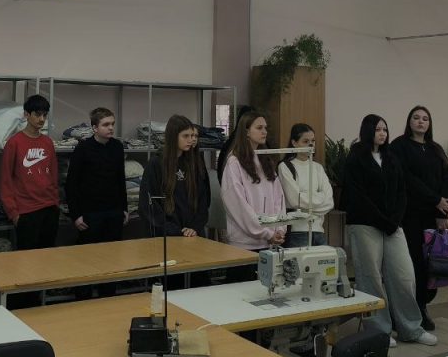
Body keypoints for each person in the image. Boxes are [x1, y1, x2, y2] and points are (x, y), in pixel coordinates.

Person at [344, 114, 436, 347]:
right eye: (377, 129)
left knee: (404, 276)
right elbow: (357, 196)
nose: (382, 134)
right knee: (371, 278)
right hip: (366, 224)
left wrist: (394, 219)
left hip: (393, 226)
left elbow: (401, 192)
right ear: (367, 131)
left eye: (385, 129)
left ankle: (411, 328)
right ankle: (379, 331)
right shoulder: (356, 158)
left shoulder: (391, 158)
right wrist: (382, 220)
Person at [390, 105, 448, 332]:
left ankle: (422, 306)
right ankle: (406, 311)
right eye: (416, 118)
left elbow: (446, 178)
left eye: (425, 118)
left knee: (429, 265)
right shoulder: (399, 146)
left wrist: (442, 212)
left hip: (432, 216)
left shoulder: (436, 148)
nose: (420, 122)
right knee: (411, 265)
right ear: (409, 121)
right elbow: (406, 179)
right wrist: (435, 199)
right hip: (409, 216)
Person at [139, 114, 211, 289]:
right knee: (173, 288)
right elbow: (149, 206)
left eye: (192, 136)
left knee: (199, 285)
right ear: (173, 137)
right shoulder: (156, 164)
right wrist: (176, 230)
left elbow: (204, 200)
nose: (191, 140)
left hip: (194, 236)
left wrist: (194, 227)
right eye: (185, 136)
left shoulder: (194, 162)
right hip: (168, 239)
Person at [1, 95, 59, 308]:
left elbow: (53, 176)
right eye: (37, 114)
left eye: (45, 115)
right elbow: (6, 180)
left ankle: (38, 307)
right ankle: (20, 309)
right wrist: (14, 213)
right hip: (26, 212)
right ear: (27, 114)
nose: (41, 119)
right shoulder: (14, 143)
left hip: (49, 210)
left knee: (45, 262)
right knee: (24, 265)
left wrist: (55, 203)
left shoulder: (48, 142)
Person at [66, 107, 127, 299]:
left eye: (112, 124)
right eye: (106, 125)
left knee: (112, 260)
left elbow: (121, 179)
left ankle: (107, 298)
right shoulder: (83, 149)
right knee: (87, 260)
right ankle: (83, 299)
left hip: (113, 212)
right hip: (90, 214)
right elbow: (71, 184)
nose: (111, 128)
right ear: (94, 127)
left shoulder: (117, 147)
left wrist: (124, 209)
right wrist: (76, 215)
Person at [221, 111, 286, 255]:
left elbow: (278, 198)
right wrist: (265, 232)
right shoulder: (234, 162)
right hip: (244, 244)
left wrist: (279, 228)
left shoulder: (265, 160)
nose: (264, 132)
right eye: (259, 128)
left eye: (265, 128)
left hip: (268, 242)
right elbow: (237, 204)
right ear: (246, 132)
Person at [278, 123, 335, 248]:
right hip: (297, 231)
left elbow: (330, 202)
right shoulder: (285, 166)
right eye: (305, 141)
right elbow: (295, 200)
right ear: (294, 143)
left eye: (313, 141)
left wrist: (304, 203)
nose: (311, 144)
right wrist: (319, 197)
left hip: (318, 230)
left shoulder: (318, 168)